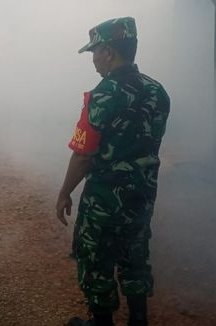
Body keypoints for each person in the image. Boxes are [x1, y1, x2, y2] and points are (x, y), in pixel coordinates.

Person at [55, 17, 170, 326]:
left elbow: (83, 156)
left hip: (105, 200)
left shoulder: (103, 95)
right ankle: (138, 320)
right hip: (142, 196)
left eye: (94, 52)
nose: (92, 59)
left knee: (95, 260)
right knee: (135, 256)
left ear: (108, 52)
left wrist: (65, 192)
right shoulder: (159, 92)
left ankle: (102, 322)